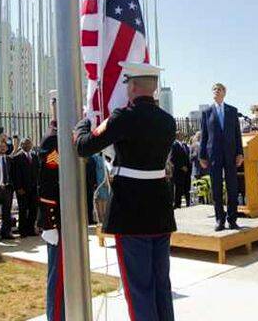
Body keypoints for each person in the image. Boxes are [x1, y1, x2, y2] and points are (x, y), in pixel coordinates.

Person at [75, 62, 177, 321]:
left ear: (132, 86)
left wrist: (83, 125)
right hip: (160, 210)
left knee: (138, 289)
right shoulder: (167, 121)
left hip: (131, 212)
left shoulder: (124, 117)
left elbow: (85, 147)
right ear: (153, 88)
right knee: (160, 285)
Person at [199, 83, 244, 231]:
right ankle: (219, 219)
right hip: (214, 155)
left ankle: (232, 219)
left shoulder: (232, 111)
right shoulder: (207, 112)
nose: (216, 91)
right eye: (214, 89)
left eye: (219, 89)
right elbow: (204, 136)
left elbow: (237, 134)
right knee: (216, 188)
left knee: (232, 187)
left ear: (224, 92)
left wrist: (240, 153)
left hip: (230, 154)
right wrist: (202, 156)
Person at [37, 94, 65, 321]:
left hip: (69, 217)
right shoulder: (53, 141)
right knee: (58, 275)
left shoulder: (65, 136)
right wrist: (50, 222)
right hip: (59, 219)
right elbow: (47, 181)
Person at [13, 138, 40, 237]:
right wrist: (18, 187)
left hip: (33, 188)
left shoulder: (34, 156)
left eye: (29, 143)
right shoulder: (17, 157)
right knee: (23, 210)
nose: (28, 145)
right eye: (25, 144)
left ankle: (30, 229)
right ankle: (22, 230)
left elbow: (37, 171)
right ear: (21, 145)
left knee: (33, 209)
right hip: (22, 189)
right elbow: (15, 174)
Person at [171, 132, 192, 208]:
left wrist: (188, 166)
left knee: (187, 187)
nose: (182, 136)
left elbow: (187, 157)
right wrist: (181, 166)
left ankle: (188, 202)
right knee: (179, 188)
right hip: (179, 171)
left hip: (187, 170)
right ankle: (177, 204)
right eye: (181, 135)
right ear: (177, 136)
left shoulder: (185, 145)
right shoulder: (174, 145)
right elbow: (173, 158)